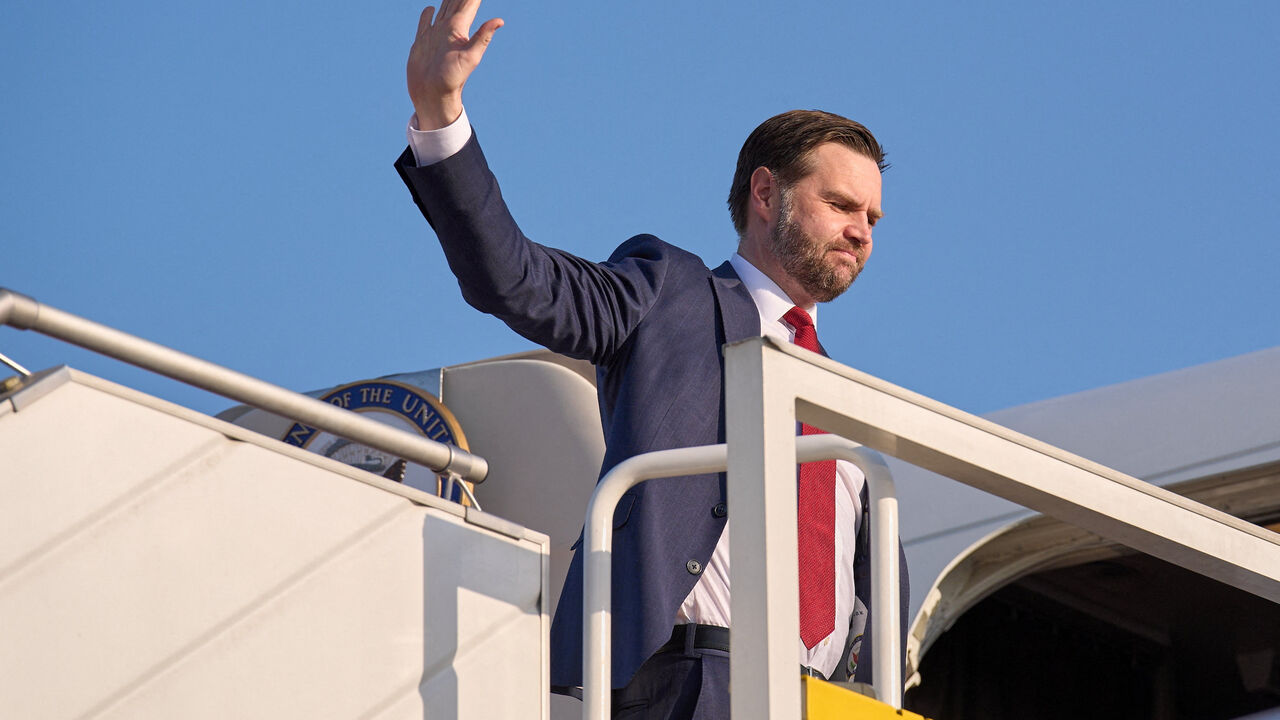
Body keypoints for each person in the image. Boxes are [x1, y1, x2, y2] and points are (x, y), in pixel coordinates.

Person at [395, 2, 908, 718]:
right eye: (841, 205)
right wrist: (440, 113)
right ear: (766, 194)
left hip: (829, 704)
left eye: (872, 220)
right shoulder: (672, 292)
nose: (861, 233)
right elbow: (515, 279)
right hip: (699, 680)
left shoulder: (846, 397)